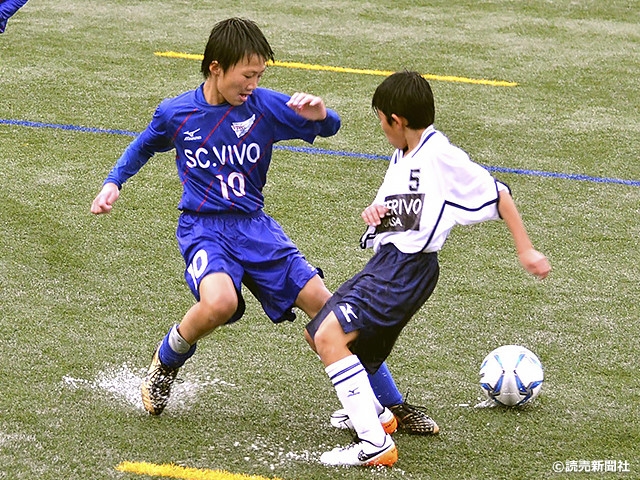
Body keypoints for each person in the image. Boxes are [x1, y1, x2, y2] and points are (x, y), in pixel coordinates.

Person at [90, 18, 434, 433]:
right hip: (204, 228)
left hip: (256, 229)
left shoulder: (264, 106)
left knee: (331, 311)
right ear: (216, 68)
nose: (253, 83)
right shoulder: (177, 112)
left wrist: (322, 115)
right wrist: (113, 183)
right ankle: (168, 358)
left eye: (260, 75)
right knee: (220, 303)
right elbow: (145, 143)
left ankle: (392, 404)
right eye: (247, 74)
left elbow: (330, 126)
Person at [305, 71, 551, 467]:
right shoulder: (402, 154)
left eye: (381, 121)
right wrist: (376, 215)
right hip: (386, 263)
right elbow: (392, 210)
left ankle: (375, 447)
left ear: (396, 121)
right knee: (317, 331)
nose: (381, 129)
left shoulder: (440, 155)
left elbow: (499, 194)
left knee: (332, 335)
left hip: (408, 270)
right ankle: (377, 416)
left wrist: (526, 249)